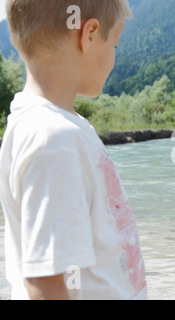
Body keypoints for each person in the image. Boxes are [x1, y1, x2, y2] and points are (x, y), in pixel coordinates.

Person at [0, 0, 147, 300]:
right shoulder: (55, 140)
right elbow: (45, 284)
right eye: (115, 45)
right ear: (89, 34)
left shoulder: (54, 126)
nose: (114, 56)